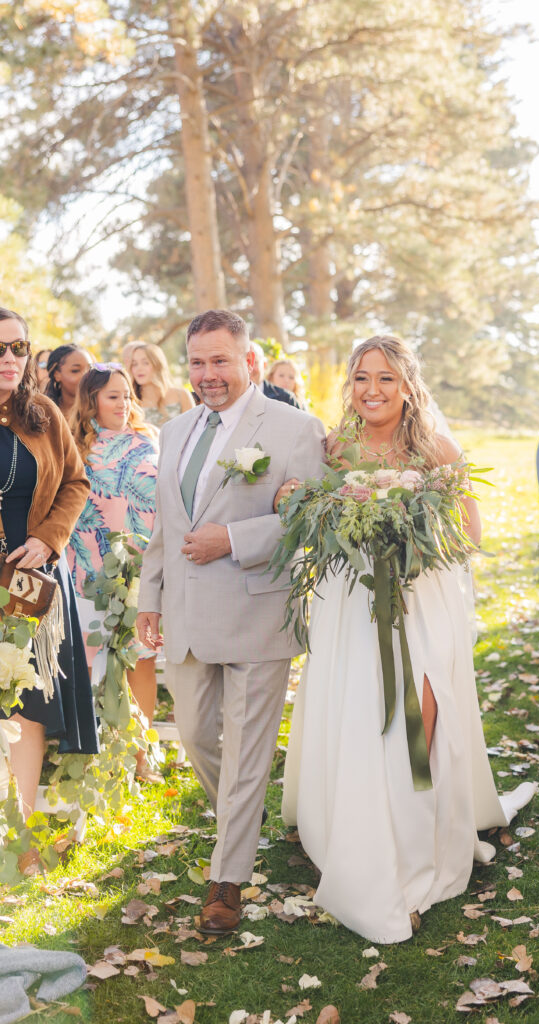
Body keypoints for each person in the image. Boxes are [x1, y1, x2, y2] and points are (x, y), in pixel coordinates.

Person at [280, 335, 535, 944]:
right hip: (353, 603)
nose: (372, 390)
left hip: (421, 604)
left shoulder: (437, 449)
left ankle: (422, 841)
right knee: (363, 711)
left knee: (420, 714)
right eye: (362, 377)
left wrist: (409, 533)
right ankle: (360, 829)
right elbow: (307, 514)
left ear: (408, 386)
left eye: (386, 378)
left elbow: (469, 534)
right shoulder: (334, 448)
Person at [136, 308, 325, 935]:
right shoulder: (176, 427)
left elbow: (313, 520)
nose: (208, 374)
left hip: (256, 609)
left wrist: (236, 539)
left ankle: (228, 881)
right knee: (195, 737)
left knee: (246, 753)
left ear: (249, 361)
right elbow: (165, 523)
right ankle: (240, 828)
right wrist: (150, 599)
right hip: (188, 617)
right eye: (197, 362)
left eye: (220, 360)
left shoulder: (296, 428)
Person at [0, 308, 98, 821]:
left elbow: (76, 483)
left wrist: (47, 539)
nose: (10, 359)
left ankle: (20, 825)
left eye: (18, 348)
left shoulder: (41, 413)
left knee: (27, 705)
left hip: (27, 584)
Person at [67, 363, 161, 782]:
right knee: (89, 659)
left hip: (141, 564)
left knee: (141, 660)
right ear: (92, 402)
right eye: (112, 396)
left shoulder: (149, 441)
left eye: (127, 395)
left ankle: (143, 758)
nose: (123, 403)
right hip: (88, 565)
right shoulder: (73, 447)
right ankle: (92, 754)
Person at [129, 342, 193, 427]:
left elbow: (195, 431)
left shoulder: (181, 395)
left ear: (158, 365)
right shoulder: (131, 402)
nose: (139, 368)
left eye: (145, 363)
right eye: (134, 364)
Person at [44, 345, 93, 422]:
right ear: (57, 375)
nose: (86, 376)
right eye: (76, 370)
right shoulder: (42, 415)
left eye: (90, 370)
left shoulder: (101, 413)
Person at [248, 341, 302, 409]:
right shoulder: (231, 397)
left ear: (264, 365)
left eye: (255, 362)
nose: (248, 368)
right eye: (245, 362)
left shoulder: (286, 399)